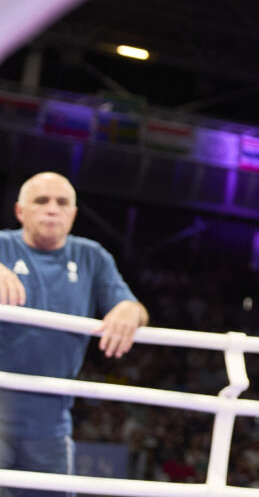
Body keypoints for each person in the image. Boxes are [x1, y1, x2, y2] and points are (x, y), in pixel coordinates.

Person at [0, 172, 149, 497]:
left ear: (73, 214)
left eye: (62, 202)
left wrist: (128, 309)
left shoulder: (90, 256)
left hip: (51, 423)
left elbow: (134, 308)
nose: (52, 209)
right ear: (20, 212)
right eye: (41, 201)